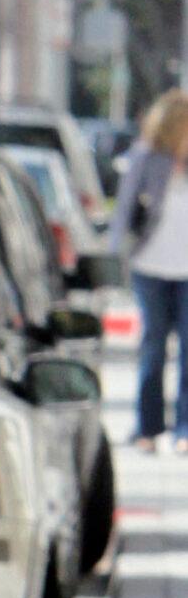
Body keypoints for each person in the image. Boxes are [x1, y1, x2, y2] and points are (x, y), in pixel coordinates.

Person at [111, 86, 188, 452]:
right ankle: (147, 428)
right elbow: (124, 208)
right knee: (153, 347)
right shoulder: (147, 157)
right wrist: (114, 257)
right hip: (150, 266)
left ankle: (184, 430)